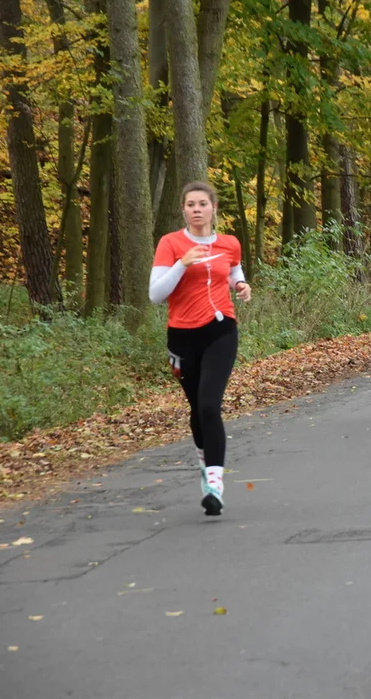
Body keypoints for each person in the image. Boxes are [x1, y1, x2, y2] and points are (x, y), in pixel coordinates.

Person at [150, 181, 251, 516]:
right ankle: (205, 462)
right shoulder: (171, 243)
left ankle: (215, 485)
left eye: (202, 204)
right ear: (183, 209)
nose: (197, 209)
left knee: (210, 405)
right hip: (181, 336)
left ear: (213, 208)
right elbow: (155, 294)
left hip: (220, 329)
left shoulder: (229, 243)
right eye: (190, 204)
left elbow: (233, 268)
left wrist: (240, 284)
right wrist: (183, 264)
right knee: (196, 408)